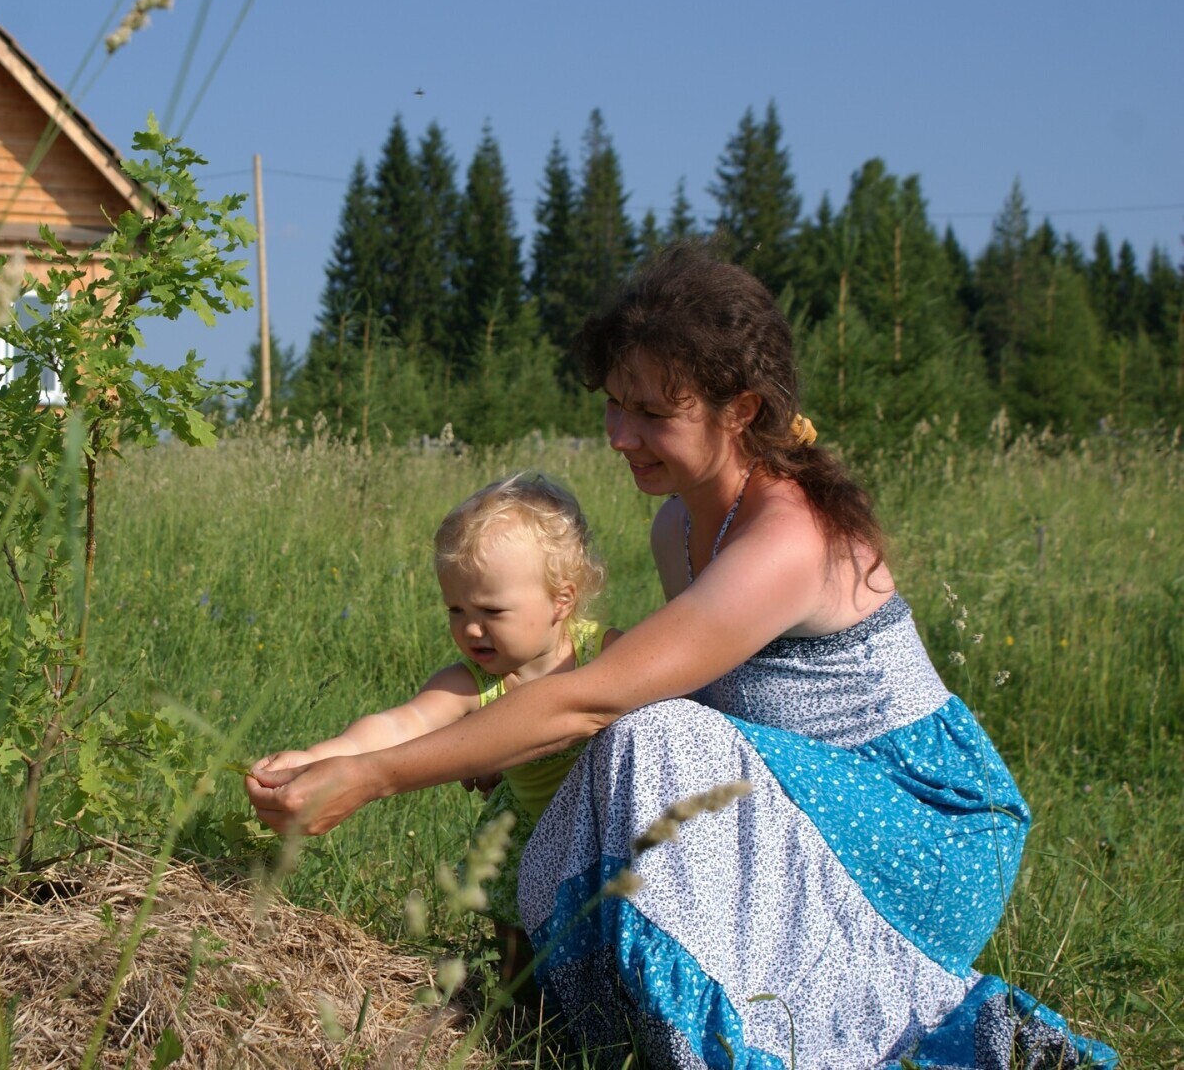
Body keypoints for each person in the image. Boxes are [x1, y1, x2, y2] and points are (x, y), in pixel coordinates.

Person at [247, 242, 1116, 1068]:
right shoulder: (679, 526)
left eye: (653, 413)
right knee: (621, 750)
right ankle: (600, 1013)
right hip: (802, 804)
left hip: (917, 831)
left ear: (739, 410)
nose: (620, 434)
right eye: (614, 403)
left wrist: (376, 778)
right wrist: (370, 751)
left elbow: (600, 699)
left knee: (647, 738)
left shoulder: (788, 534)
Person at [252, 473, 622, 982]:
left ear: (562, 600)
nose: (471, 629)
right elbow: (401, 724)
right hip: (526, 834)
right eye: (456, 610)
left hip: (605, 831)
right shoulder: (471, 682)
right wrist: (319, 757)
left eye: (491, 611)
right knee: (518, 959)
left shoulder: (607, 654)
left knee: (609, 942)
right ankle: (516, 1016)